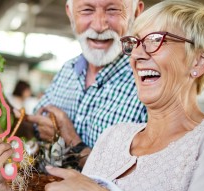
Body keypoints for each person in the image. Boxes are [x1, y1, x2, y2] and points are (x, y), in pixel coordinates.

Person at [0, 0, 204, 191]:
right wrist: (0, 189)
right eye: (135, 43)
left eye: (156, 40)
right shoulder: (114, 136)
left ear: (199, 61)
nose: (137, 54)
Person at [22, 0, 147, 167]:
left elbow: (137, 179)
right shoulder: (68, 69)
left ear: (136, 12)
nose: (99, 26)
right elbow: (33, 131)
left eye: (113, 10)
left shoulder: (147, 82)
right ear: (70, 13)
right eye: (87, 10)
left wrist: (69, 139)